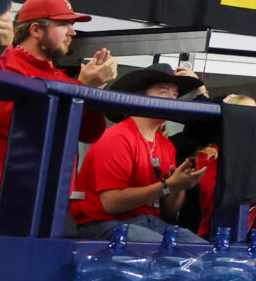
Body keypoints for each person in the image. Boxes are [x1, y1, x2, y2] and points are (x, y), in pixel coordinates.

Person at [0, 0, 116, 229]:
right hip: (2, 202)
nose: (72, 32)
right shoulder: (7, 62)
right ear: (35, 30)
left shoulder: (60, 77)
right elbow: (25, 123)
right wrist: (83, 88)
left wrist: (92, 93)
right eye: (63, 24)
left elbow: (89, 133)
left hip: (51, 203)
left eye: (72, 25)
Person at [69, 64, 206, 239]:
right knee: (162, 250)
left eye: (175, 95)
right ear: (140, 97)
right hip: (103, 223)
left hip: (150, 223)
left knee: (202, 252)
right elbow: (111, 204)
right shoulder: (117, 137)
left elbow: (169, 213)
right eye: (163, 93)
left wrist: (179, 186)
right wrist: (168, 185)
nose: (172, 101)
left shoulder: (166, 145)